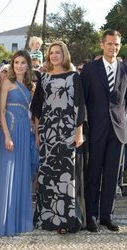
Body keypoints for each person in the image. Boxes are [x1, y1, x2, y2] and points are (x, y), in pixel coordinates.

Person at [31, 41, 86, 234]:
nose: (54, 56)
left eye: (58, 52)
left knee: (66, 176)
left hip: (67, 132)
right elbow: (37, 108)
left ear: (64, 54)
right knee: (47, 175)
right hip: (48, 133)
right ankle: (46, 218)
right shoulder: (44, 78)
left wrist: (79, 132)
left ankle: (65, 220)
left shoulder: (74, 77)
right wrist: (38, 134)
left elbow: (79, 105)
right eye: (51, 53)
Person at [0, 50, 36, 236]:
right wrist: (7, 135)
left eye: (22, 63)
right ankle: (3, 221)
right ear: (12, 65)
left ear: (28, 65)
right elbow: (1, 111)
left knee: (21, 174)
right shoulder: (7, 82)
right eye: (16, 62)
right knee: (7, 174)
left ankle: (18, 219)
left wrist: (32, 132)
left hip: (24, 132)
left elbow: (29, 114)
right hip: (10, 131)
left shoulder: (29, 86)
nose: (19, 66)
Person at [80, 29, 127, 232]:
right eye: (109, 43)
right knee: (93, 174)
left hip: (118, 131)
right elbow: (81, 101)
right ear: (102, 44)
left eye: (116, 44)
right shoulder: (90, 69)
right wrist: (81, 127)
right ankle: (90, 216)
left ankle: (106, 216)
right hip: (95, 130)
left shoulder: (126, 70)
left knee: (111, 176)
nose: (113, 47)